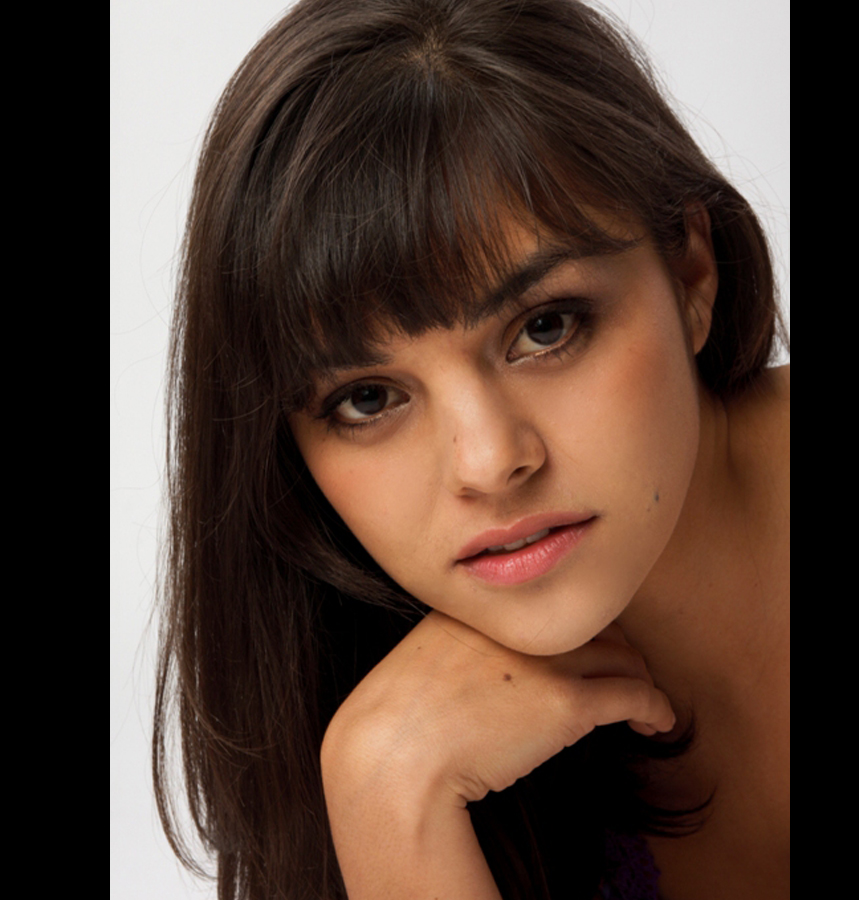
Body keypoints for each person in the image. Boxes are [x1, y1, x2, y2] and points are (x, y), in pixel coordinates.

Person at [153, 1, 790, 898]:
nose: (490, 464)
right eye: (368, 399)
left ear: (690, 270)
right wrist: (391, 806)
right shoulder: (402, 753)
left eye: (546, 327)